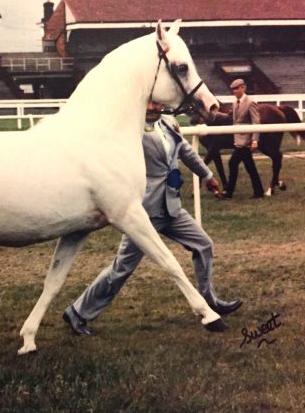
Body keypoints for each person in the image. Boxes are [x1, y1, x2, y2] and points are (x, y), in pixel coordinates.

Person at [62, 101, 242, 336]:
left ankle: (209, 300)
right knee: (122, 267)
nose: (156, 106)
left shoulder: (169, 122)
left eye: (158, 102)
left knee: (203, 244)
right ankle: (77, 312)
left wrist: (207, 175)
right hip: (143, 212)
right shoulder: (130, 129)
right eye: (151, 102)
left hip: (172, 206)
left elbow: (185, 151)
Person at [222, 79, 265, 199]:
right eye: (233, 89)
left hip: (246, 141)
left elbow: (256, 123)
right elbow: (235, 121)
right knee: (250, 166)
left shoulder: (250, 102)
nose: (234, 91)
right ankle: (259, 191)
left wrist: (255, 140)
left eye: (236, 89)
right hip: (238, 139)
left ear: (243, 88)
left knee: (232, 163)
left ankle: (229, 192)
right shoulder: (235, 103)